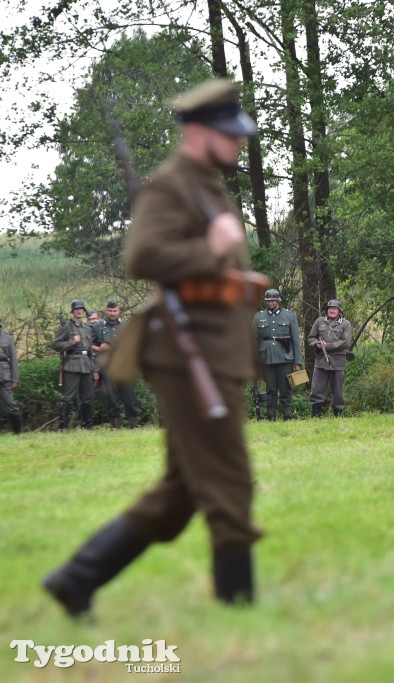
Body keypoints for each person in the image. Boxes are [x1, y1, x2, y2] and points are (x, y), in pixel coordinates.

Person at [43, 79, 262, 619]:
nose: (239, 144)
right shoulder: (171, 186)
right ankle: (242, 610)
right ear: (197, 132)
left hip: (212, 350)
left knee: (181, 491)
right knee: (229, 479)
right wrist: (209, 248)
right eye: (228, 134)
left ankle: (76, 579)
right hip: (190, 357)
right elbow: (143, 255)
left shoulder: (207, 184)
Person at [253, 289, 303, 420]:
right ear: (266, 301)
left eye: (273, 300)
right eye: (269, 300)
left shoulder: (289, 316)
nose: (271, 303)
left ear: (278, 301)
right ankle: (271, 416)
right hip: (266, 358)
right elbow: (253, 339)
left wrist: (297, 361)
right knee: (271, 389)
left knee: (286, 388)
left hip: (285, 357)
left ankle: (287, 415)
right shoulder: (259, 317)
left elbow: (296, 340)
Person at [91, 300, 141, 428]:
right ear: (105, 311)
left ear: (119, 311)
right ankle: (116, 425)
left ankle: (133, 424)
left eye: (114, 311)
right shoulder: (97, 326)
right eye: (110, 311)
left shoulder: (126, 325)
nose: (112, 313)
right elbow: (86, 344)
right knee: (111, 397)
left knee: (129, 395)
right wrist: (98, 348)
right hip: (107, 366)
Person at [51, 299, 98, 430]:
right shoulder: (66, 326)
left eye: (81, 309)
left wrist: (94, 369)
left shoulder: (87, 328)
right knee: (67, 397)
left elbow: (90, 351)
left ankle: (88, 425)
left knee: (87, 398)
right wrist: (71, 342)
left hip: (87, 365)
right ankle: (63, 426)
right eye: (76, 309)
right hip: (72, 364)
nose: (79, 311)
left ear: (84, 311)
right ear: (72, 311)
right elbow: (55, 345)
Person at [307, 299, 353, 416]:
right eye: (330, 308)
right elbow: (311, 337)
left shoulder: (345, 324)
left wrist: (328, 346)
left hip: (338, 362)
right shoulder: (319, 321)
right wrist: (316, 343)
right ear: (327, 310)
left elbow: (345, 343)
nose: (332, 310)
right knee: (317, 389)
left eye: (335, 309)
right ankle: (316, 414)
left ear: (339, 312)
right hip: (321, 361)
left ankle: (338, 413)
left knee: (337, 390)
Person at [0, 317, 22, 435]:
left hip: (4, 374)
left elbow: (13, 359)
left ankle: (18, 431)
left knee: (9, 403)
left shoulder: (7, 338)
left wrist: (15, 378)